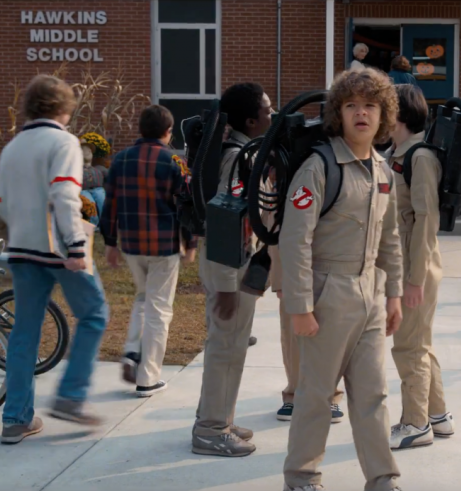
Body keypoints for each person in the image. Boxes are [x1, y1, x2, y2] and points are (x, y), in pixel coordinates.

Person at [280, 68, 403, 491]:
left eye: (370, 105)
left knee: (373, 393)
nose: (361, 113)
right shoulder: (320, 167)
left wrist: (393, 295)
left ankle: (383, 478)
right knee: (316, 395)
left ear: (384, 115)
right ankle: (301, 478)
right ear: (339, 113)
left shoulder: (383, 171)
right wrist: (300, 307)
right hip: (327, 293)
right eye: (351, 105)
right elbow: (295, 239)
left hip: (370, 294)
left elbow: (390, 239)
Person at [0, 74, 109, 444]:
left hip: (21, 248)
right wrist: (76, 246)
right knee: (94, 314)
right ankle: (71, 397)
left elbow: (1, 204)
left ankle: (16, 419)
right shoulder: (64, 143)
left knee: (24, 333)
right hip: (59, 248)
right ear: (65, 108)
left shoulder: (12, 148)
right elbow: (64, 196)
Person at [191, 82, 273, 457]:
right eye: (267, 110)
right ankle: (211, 430)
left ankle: (218, 417)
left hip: (231, 259)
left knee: (229, 345)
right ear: (251, 121)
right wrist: (227, 285)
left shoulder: (237, 153)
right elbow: (225, 217)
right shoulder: (238, 158)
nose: (272, 115)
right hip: (229, 263)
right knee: (226, 347)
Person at [101, 105, 198, 397]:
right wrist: (190, 242)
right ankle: (148, 377)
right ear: (168, 132)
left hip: (131, 244)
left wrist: (109, 242)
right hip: (164, 245)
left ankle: (132, 351)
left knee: (144, 297)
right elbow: (186, 204)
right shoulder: (175, 161)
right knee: (159, 308)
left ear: (140, 130)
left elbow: (110, 203)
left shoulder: (120, 160)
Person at [385, 84, 453, 450]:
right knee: (419, 343)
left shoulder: (420, 157)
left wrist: (413, 280)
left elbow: (427, 219)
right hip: (408, 263)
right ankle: (437, 415)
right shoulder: (398, 153)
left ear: (397, 114)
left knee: (408, 346)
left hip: (416, 266)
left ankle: (415, 423)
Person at [268, 239, 346, 424]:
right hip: (293, 274)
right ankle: (294, 395)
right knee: (293, 339)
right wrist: (279, 281)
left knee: (331, 337)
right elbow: (276, 233)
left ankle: (330, 396)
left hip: (333, 269)